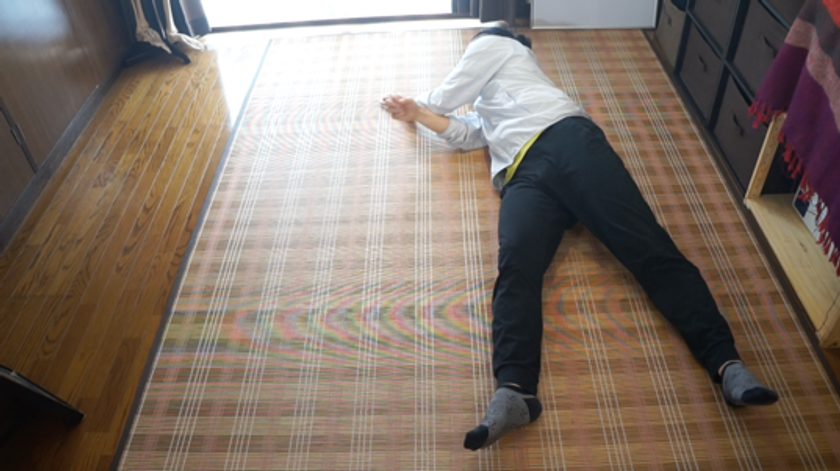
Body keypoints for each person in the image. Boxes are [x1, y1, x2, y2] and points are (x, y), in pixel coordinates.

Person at [381, 26, 779, 451]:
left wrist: (419, 101)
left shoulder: (498, 44)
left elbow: (446, 96)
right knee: (515, 266)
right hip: (522, 175)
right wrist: (416, 114)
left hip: (566, 141)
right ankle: (514, 391)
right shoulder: (495, 99)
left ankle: (725, 362)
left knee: (646, 245)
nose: (470, 55)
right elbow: (466, 134)